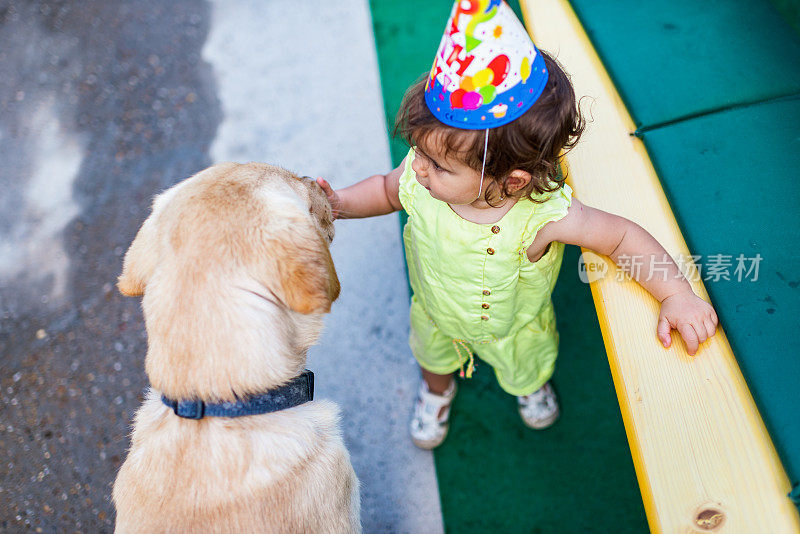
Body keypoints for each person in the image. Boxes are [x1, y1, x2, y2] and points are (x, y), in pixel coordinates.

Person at [317, 0, 718, 449]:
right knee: (432, 356)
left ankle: (528, 386)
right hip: (435, 311)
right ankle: (436, 390)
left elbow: (622, 237)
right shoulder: (420, 175)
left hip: (515, 327)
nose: (419, 169)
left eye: (437, 165)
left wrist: (677, 294)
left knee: (526, 366)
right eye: (420, 154)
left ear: (511, 181)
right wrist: (339, 204)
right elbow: (388, 191)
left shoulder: (542, 216)